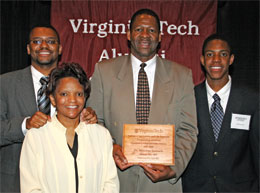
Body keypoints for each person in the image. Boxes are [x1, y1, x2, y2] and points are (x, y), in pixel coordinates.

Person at [87, 8, 198, 192]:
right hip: (116, 180)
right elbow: (94, 122)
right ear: (129, 35)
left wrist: (173, 169)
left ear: (160, 36)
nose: (145, 35)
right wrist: (110, 147)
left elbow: (188, 130)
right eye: (139, 29)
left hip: (162, 185)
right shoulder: (104, 72)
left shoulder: (182, 76)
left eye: (151, 30)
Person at [0, 25, 97, 193]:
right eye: (37, 41)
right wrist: (25, 124)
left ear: (59, 49)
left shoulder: (75, 84)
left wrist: (90, 117)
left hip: (64, 181)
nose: (44, 46)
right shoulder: (5, 83)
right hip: (15, 182)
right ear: (29, 49)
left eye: (51, 41)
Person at [19, 62, 119, 193]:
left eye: (78, 94)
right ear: (53, 99)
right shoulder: (36, 137)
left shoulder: (101, 135)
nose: (72, 100)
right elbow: (30, 188)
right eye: (64, 94)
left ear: (85, 97)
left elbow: (110, 183)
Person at [182, 34, 259, 192]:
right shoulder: (188, 98)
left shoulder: (252, 101)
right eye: (210, 54)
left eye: (222, 54)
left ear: (231, 59)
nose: (216, 59)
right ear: (202, 60)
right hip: (197, 188)